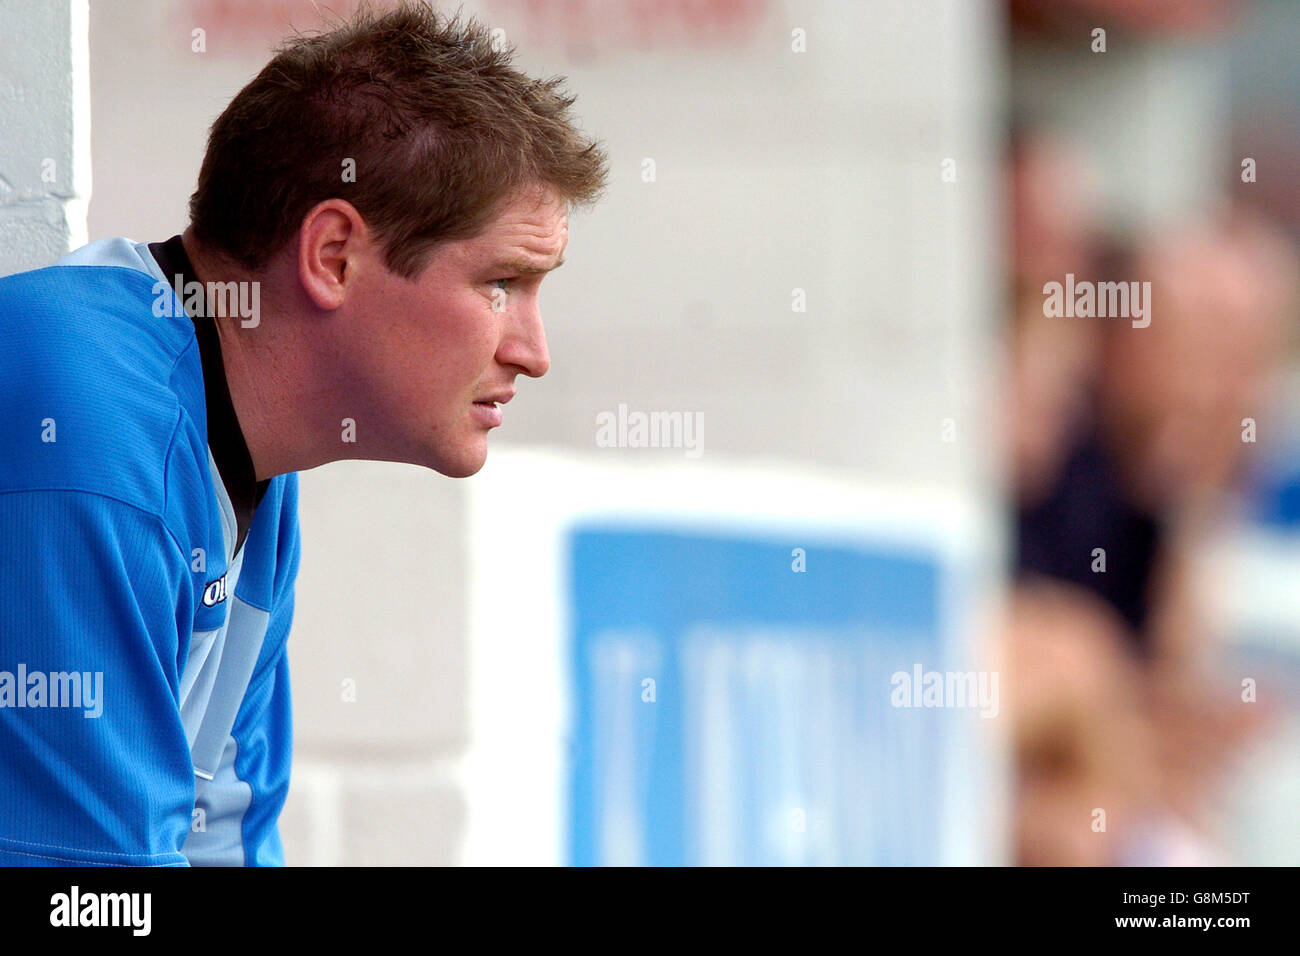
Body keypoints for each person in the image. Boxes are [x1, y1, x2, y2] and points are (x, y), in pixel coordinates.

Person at [0, 1, 607, 866]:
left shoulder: (249, 457)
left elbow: (226, 839)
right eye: (502, 282)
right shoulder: (88, 431)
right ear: (332, 256)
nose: (533, 351)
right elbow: (89, 898)